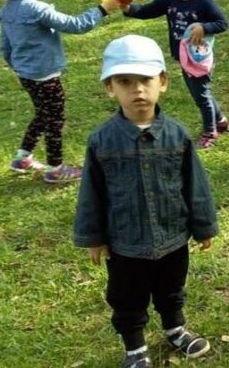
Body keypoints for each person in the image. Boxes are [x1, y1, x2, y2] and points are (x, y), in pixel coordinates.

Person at [74, 35, 218, 368]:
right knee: (127, 297)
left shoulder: (177, 135)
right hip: (125, 242)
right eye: (125, 82)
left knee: (171, 288)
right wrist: (94, 238)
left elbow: (194, 183)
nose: (137, 89)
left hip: (172, 236)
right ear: (110, 88)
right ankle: (135, 348)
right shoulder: (101, 140)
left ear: (163, 83)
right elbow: (91, 193)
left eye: (145, 80)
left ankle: (175, 328)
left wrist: (203, 225)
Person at [0, 0, 122, 183]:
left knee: (42, 114)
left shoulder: (6, 11)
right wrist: (103, 9)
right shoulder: (37, 9)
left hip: (27, 75)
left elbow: (5, 47)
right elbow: (77, 25)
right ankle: (55, 169)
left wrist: (17, 70)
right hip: (45, 76)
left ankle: (22, 158)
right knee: (55, 119)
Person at [123, 0, 229, 148]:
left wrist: (204, 27)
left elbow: (222, 24)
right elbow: (147, 11)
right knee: (201, 92)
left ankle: (210, 131)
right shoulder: (169, 0)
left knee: (201, 95)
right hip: (183, 57)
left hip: (199, 58)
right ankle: (221, 121)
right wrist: (128, 8)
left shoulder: (203, 3)